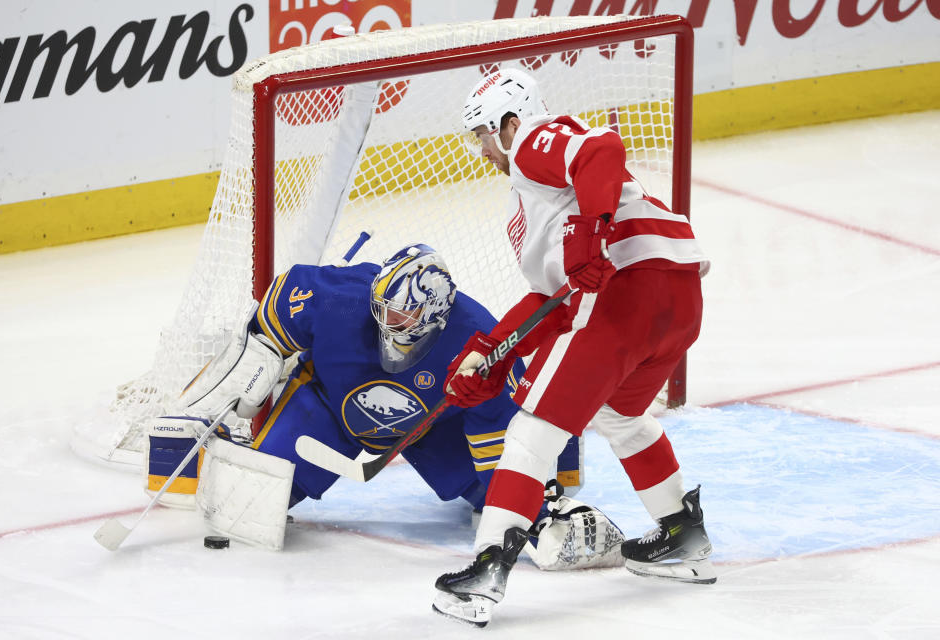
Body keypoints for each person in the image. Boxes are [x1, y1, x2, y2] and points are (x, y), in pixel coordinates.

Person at [432, 68, 714, 626]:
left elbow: (602, 149)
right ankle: (681, 534)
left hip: (624, 297)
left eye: (483, 134)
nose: (482, 150)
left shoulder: (535, 140)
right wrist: (492, 351)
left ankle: (487, 568)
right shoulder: (536, 204)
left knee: (532, 431)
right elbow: (552, 298)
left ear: (508, 123)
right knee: (621, 416)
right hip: (675, 301)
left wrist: (591, 228)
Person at [151, 242, 586, 551]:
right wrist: (261, 356)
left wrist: (517, 497)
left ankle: (555, 453)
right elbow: (275, 310)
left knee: (501, 504)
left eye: (398, 315)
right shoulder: (338, 298)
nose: (384, 323)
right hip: (328, 407)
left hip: (431, 429)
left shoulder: (475, 340)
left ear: (433, 315)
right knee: (249, 502)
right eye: (381, 309)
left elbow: (494, 421)